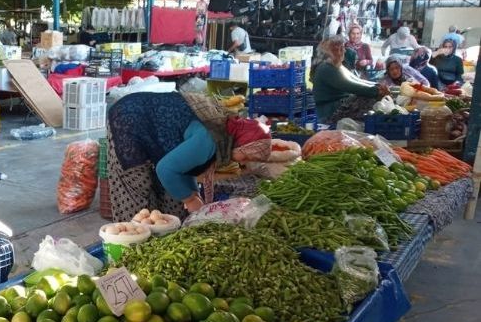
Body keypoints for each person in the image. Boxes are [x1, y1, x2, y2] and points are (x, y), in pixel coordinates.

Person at [106, 91, 271, 222]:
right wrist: (191, 199)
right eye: (247, 156)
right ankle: (131, 249)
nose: (244, 162)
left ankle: (162, 238)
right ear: (243, 142)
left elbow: (186, 166)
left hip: (153, 126)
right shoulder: (211, 139)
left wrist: (193, 194)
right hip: (129, 120)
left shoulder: (225, 133)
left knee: (174, 198)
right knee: (138, 190)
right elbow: (166, 169)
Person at [312, 36, 388, 123]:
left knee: (370, 96)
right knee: (366, 97)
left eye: (343, 48)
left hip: (340, 105)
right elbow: (350, 86)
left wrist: (376, 85)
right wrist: (376, 91)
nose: (344, 51)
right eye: (339, 49)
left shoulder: (337, 65)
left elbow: (356, 80)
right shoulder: (326, 68)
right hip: (330, 112)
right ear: (329, 52)